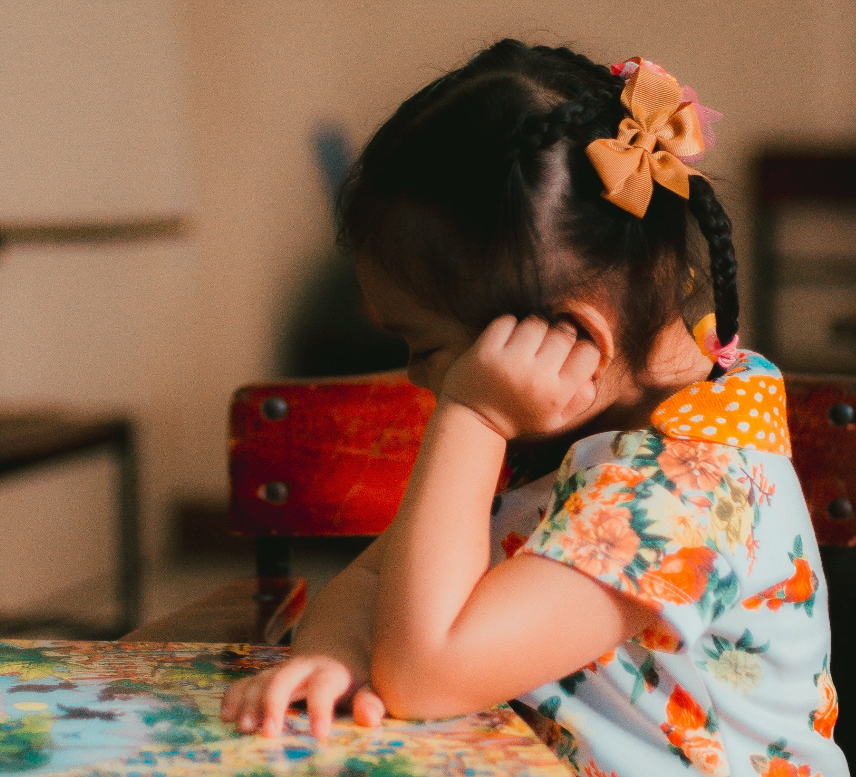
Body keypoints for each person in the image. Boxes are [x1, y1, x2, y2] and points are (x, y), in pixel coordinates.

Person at [220, 41, 848, 776]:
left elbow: (426, 675)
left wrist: (472, 419)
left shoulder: (686, 492)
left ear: (570, 338)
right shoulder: (576, 420)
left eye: (425, 348)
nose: (422, 381)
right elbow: (368, 582)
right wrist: (334, 656)